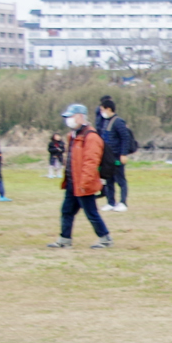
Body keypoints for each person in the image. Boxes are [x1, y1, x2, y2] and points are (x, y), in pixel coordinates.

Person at [48, 103, 111, 249]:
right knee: (66, 211)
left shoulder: (91, 137)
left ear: (81, 117)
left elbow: (91, 161)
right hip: (73, 181)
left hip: (83, 183)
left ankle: (105, 238)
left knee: (91, 213)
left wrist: (85, 182)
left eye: (71, 116)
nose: (68, 120)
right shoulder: (73, 135)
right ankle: (65, 238)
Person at [95, 96, 132, 211]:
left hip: (117, 155)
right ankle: (111, 202)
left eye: (102, 110)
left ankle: (123, 202)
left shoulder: (118, 122)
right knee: (109, 180)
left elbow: (125, 138)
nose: (101, 112)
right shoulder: (105, 122)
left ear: (109, 109)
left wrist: (123, 154)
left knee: (120, 179)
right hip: (107, 157)